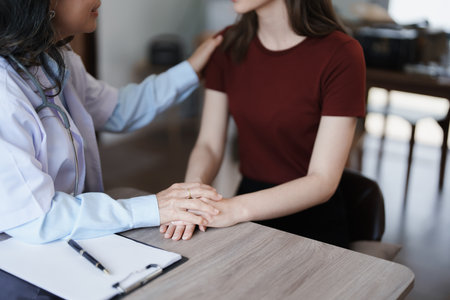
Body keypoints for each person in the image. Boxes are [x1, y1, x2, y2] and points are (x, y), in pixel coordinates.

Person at [0, 0, 225, 246]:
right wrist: (154, 207)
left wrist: (191, 69)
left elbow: (117, 109)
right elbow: (38, 218)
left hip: (70, 238)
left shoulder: (56, 60)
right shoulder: (5, 92)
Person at [161, 0, 366, 247]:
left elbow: (322, 181)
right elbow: (209, 145)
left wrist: (233, 209)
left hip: (312, 223)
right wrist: (191, 196)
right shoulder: (227, 44)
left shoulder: (342, 53)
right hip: (246, 208)